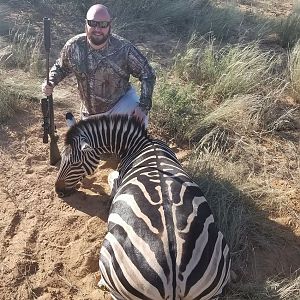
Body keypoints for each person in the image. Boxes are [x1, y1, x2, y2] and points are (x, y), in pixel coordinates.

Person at [42, 4, 156, 125]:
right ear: (86, 24)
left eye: (103, 24)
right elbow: (61, 67)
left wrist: (143, 106)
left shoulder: (124, 49)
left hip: (121, 105)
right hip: (91, 114)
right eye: (93, 23)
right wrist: (50, 82)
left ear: (109, 26)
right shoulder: (74, 46)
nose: (97, 29)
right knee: (89, 143)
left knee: (139, 123)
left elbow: (148, 73)